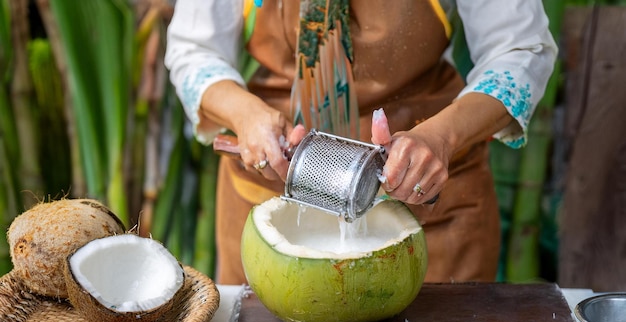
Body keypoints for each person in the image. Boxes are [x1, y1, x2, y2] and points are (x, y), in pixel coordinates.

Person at [165, 0, 557, 284]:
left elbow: (520, 50)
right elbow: (194, 51)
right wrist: (245, 115)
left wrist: (440, 137)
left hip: (426, 202)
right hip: (275, 198)